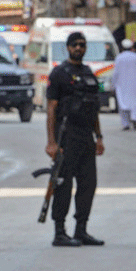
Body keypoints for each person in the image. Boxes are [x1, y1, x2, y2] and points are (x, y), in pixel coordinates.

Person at [45, 32, 105, 247]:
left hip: (86, 136)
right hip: (66, 136)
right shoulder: (59, 73)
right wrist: (52, 142)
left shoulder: (89, 73)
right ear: (68, 48)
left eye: (82, 45)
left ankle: (81, 230)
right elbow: (51, 109)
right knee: (63, 184)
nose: (79, 48)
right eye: (75, 45)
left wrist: (98, 137)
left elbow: (94, 108)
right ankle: (59, 232)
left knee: (88, 184)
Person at [112, 39, 136, 131]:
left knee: (122, 104)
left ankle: (125, 124)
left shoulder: (119, 57)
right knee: (134, 102)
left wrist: (113, 85)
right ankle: (135, 119)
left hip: (121, 84)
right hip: (134, 83)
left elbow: (116, 73)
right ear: (131, 48)